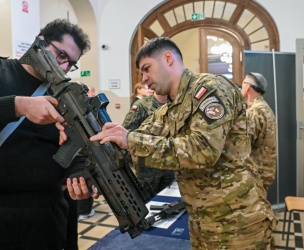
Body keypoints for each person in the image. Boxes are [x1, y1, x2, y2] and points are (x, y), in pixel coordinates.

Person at [86, 37, 277, 249]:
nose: (144, 78)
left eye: (147, 69)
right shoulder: (169, 109)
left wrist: (130, 140)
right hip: (201, 222)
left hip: (238, 222)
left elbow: (203, 150)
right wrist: (98, 177)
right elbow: (133, 138)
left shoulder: (210, 88)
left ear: (168, 58)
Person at [0, 18, 92, 250]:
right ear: (40, 43)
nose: (64, 68)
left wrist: (79, 173)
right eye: (61, 56)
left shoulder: (67, 96)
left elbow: (78, 149)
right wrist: (18, 106)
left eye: (71, 64)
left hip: (47, 218)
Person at [122, 92, 175, 202]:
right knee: (145, 202)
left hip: (171, 167)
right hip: (148, 170)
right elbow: (127, 134)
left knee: (169, 201)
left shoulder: (176, 104)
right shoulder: (142, 105)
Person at [241, 72, 277, 193]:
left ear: (247, 87)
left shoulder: (253, 112)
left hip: (255, 175)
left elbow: (242, 144)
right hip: (262, 173)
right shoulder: (264, 108)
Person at [77, 84, 96, 220]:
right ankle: (84, 211)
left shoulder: (89, 110)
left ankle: (85, 210)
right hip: (83, 152)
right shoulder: (82, 111)